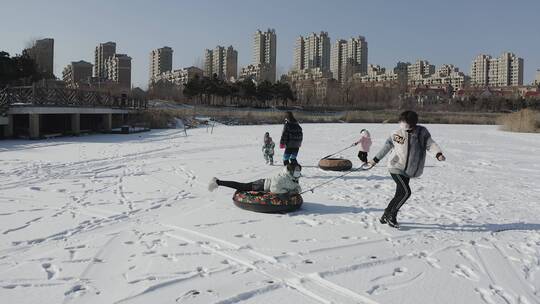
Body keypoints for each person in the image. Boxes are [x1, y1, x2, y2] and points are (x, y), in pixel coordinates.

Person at [368, 111, 446, 229]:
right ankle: (391, 216)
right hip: (395, 166)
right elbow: (387, 146)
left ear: (413, 123)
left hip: (410, 169)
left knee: (399, 194)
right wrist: (375, 160)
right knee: (406, 192)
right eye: (402, 122)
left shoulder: (422, 132)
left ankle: (385, 214)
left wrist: (438, 154)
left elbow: (430, 144)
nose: (403, 125)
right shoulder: (397, 133)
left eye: (406, 123)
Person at [208, 163, 302, 194]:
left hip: (263, 184)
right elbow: (274, 189)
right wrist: (289, 192)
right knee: (242, 187)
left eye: (299, 171)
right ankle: (217, 182)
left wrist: (296, 190)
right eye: (297, 171)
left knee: (242, 186)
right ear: (291, 172)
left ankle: (218, 181)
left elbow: (297, 187)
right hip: (261, 185)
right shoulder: (282, 178)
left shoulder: (293, 178)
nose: (298, 173)